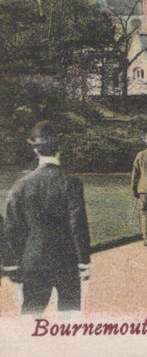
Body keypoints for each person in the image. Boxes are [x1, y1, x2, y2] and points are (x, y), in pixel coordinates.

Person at [4, 123, 91, 314]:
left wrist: (15, 262)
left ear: (35, 149)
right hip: (66, 259)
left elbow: (11, 228)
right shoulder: (71, 183)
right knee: (69, 316)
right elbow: (77, 224)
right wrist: (83, 261)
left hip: (33, 259)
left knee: (31, 314)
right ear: (59, 148)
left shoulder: (20, 185)